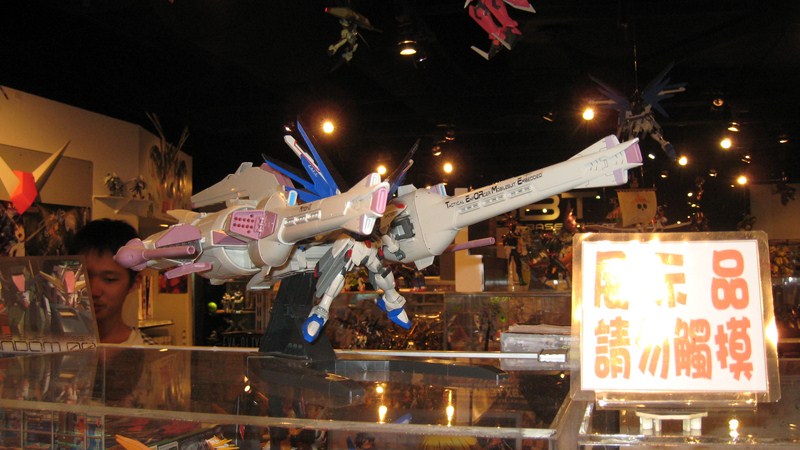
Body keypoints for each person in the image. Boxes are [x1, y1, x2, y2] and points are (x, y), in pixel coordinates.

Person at [68, 219, 154, 345]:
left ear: (135, 282)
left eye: (109, 279)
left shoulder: (148, 350)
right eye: (82, 276)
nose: (93, 291)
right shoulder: (49, 345)